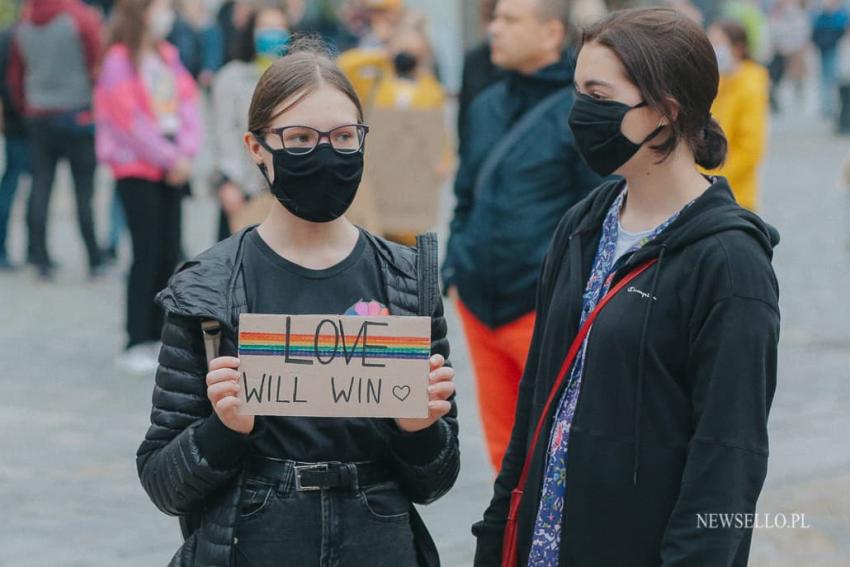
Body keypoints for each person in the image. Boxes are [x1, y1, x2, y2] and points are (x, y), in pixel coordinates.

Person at [473, 8, 780, 566]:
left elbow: (728, 464)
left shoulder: (731, 265)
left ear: (665, 111)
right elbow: (536, 405)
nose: (579, 113)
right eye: (576, 91)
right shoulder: (583, 225)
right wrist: (495, 540)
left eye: (598, 94)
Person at [136, 43, 460, 566]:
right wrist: (225, 430)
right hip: (255, 538)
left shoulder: (405, 280)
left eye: (343, 137)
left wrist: (419, 428)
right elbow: (163, 483)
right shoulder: (207, 288)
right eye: (301, 139)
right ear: (257, 147)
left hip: (378, 540)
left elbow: (436, 478)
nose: (326, 154)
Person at [442, 0, 600, 472]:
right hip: (479, 304)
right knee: (503, 455)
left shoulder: (583, 111)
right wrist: (455, 264)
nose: (494, 29)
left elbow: (599, 213)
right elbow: (466, 192)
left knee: (557, 451)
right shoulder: (486, 104)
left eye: (510, 20)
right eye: (494, 18)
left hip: (543, 308)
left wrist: (571, 297)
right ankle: (509, 544)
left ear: (552, 34)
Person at [94, 0, 201, 374]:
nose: (166, 13)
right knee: (145, 251)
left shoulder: (166, 56)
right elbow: (129, 122)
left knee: (169, 250)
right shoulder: (118, 61)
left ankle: (158, 333)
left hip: (173, 165)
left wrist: (185, 153)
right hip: (137, 168)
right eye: (161, 6)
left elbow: (188, 105)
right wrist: (170, 158)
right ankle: (134, 336)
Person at [6, 0, 106, 280]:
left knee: (40, 186)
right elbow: (96, 61)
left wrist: (28, 105)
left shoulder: (24, 23)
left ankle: (40, 259)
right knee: (83, 192)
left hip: (38, 113)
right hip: (77, 111)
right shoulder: (80, 17)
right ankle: (94, 259)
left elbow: (16, 75)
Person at [211, 1, 290, 241]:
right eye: (265, 27)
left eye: (279, 27)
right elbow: (223, 132)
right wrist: (228, 182)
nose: (272, 33)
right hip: (243, 188)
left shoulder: (296, 78)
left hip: (285, 190)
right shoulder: (231, 77)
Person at [707, 19, 769, 211]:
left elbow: (751, 150)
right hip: (714, 190)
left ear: (738, 48)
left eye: (718, 43)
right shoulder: (721, 80)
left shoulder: (749, 86)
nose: (713, 49)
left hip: (735, 195)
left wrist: (714, 179)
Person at [0, 24, 30, 271]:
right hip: (28, 119)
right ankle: (35, 250)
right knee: (32, 185)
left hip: (16, 121)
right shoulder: (15, 36)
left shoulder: (10, 34)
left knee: (13, 183)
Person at [457, 0, 503, 153]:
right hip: (480, 153)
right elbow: (464, 123)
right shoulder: (474, 61)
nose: (495, 29)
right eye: (491, 19)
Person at [812, 0, 849, 118]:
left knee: (833, 81)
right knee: (826, 80)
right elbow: (814, 33)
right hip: (824, 51)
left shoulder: (841, 17)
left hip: (835, 51)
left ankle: (832, 108)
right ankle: (827, 107)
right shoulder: (821, 17)